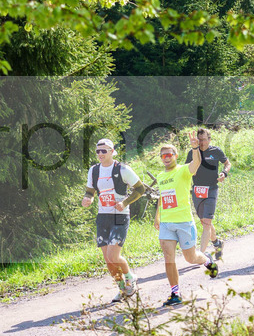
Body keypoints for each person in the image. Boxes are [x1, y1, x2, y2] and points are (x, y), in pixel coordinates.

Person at [154, 134, 219, 306]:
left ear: (175, 156)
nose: (167, 158)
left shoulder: (183, 170)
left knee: (190, 258)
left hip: (184, 222)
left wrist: (195, 147)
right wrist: (157, 215)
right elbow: (162, 196)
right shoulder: (160, 176)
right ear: (161, 158)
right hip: (167, 224)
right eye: (163, 156)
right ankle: (175, 293)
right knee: (169, 257)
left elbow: (196, 164)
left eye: (170, 155)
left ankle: (207, 260)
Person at [83, 138, 147, 302]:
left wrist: (125, 202)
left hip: (119, 216)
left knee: (113, 255)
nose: (100, 154)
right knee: (108, 260)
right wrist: (87, 198)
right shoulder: (94, 170)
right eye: (98, 151)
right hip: (103, 216)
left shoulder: (123, 169)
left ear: (112, 152)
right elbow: (90, 190)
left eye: (104, 151)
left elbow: (140, 189)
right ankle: (121, 289)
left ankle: (130, 277)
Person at [185, 129, 231, 260]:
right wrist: (190, 172)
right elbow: (186, 169)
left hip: (211, 189)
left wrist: (224, 173)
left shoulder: (215, 151)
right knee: (204, 221)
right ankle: (217, 243)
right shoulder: (192, 153)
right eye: (199, 140)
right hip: (197, 190)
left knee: (207, 222)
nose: (202, 142)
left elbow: (227, 163)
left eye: (204, 139)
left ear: (209, 140)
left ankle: (201, 254)